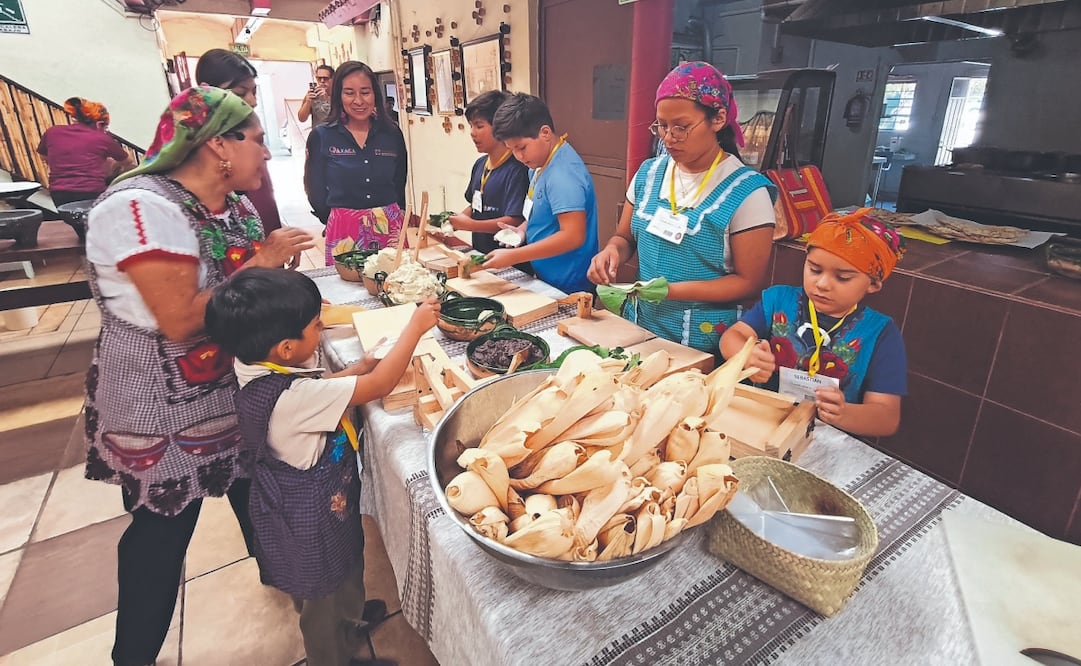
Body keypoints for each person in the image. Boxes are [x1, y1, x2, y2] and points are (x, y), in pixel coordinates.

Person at [82, 86, 315, 666]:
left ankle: (296, 588)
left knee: (258, 495)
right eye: (258, 141)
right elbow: (183, 320)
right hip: (159, 402)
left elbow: (236, 285)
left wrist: (271, 273)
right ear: (219, 146)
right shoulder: (141, 208)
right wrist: (261, 262)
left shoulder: (229, 204)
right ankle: (132, 655)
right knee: (162, 536)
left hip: (222, 389)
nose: (266, 154)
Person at [205, 267, 438, 666]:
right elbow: (379, 386)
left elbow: (318, 394)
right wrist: (413, 328)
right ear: (285, 348)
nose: (321, 329)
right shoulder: (289, 397)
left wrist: (355, 369)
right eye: (316, 326)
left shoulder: (255, 368)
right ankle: (332, 654)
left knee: (343, 572)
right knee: (322, 596)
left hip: (314, 506)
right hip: (309, 520)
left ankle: (348, 621)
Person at [587, 61, 777, 354]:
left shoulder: (747, 193)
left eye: (682, 127)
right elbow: (625, 238)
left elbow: (749, 283)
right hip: (642, 328)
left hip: (703, 340)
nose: (668, 137)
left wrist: (671, 291)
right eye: (661, 126)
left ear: (718, 119)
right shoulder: (649, 174)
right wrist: (611, 251)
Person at [720, 208, 908, 437]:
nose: (822, 284)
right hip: (763, 426)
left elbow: (886, 418)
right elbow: (731, 337)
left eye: (843, 277)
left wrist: (844, 414)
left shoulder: (880, 333)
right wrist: (745, 355)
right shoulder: (778, 300)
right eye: (814, 269)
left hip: (825, 439)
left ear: (873, 284)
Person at [486, 93, 598, 294]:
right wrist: (522, 229)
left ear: (545, 133)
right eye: (512, 150)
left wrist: (513, 256)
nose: (519, 156)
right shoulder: (538, 163)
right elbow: (543, 210)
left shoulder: (563, 175)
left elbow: (573, 236)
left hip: (568, 282)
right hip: (547, 274)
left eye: (521, 148)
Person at [304, 60, 409, 265]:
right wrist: (334, 217)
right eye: (350, 93)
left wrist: (395, 213)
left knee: (397, 287)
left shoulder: (392, 133)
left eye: (365, 92)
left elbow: (400, 179)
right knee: (346, 291)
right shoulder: (322, 135)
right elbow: (314, 186)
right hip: (344, 227)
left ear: (375, 95)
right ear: (339, 96)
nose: (359, 100)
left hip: (389, 226)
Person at [195, 48, 284, 236]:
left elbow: (264, 195)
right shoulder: (203, 151)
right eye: (240, 93)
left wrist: (276, 231)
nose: (252, 102)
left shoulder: (246, 133)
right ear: (207, 91)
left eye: (254, 91)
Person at [447, 90, 529, 254]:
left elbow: (515, 219)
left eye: (479, 126)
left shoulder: (517, 169)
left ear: (500, 127)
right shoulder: (480, 164)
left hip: (509, 257)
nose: (472, 132)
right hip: (481, 253)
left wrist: (471, 225)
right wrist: (454, 221)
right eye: (471, 126)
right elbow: (476, 206)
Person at [37, 97, 134, 207]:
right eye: (106, 126)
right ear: (100, 124)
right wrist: (108, 166)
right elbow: (128, 161)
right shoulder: (102, 138)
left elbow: (43, 156)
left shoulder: (52, 132)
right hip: (91, 193)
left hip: (59, 194)